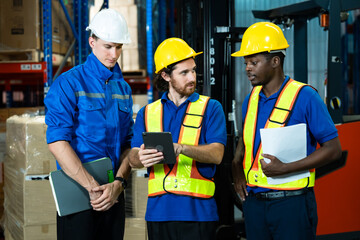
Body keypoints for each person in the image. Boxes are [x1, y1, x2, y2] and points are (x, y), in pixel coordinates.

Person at [231, 22, 342, 240]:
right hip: (254, 206)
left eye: (253, 62)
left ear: (275, 61)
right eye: (245, 63)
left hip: (292, 204)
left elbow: (333, 149)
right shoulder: (250, 100)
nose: (247, 68)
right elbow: (245, 141)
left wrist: (286, 168)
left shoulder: (306, 96)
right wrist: (236, 166)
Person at [44, 8, 133, 240]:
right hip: (78, 192)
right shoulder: (68, 83)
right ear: (92, 42)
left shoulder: (122, 89)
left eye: (119, 47)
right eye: (108, 46)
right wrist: (93, 187)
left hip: (113, 194)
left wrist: (118, 184)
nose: (114, 54)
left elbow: (128, 144)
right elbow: (57, 142)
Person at [128, 37, 227, 240]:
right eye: (184, 72)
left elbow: (217, 154)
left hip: (199, 212)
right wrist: (140, 158)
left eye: (193, 70)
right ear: (165, 75)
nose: (192, 77)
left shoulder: (211, 108)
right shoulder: (148, 112)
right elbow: (133, 156)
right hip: (158, 214)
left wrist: (181, 148)